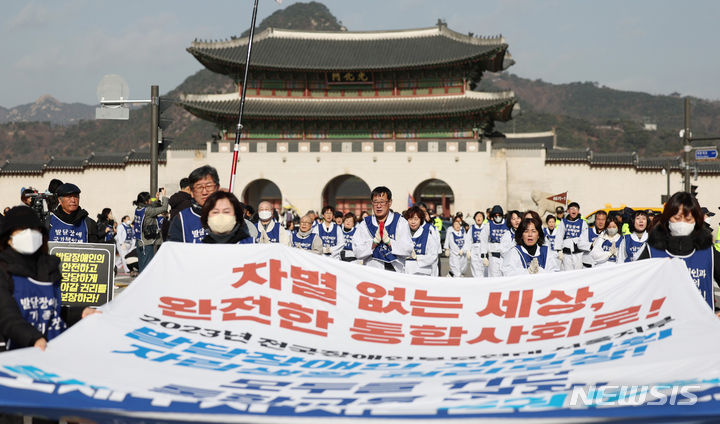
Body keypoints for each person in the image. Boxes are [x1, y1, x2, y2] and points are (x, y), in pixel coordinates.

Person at [0, 206, 97, 351]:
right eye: (21, 229)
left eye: (33, 228)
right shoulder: (3, 270)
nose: (29, 234)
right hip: (22, 351)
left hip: (53, 350)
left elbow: (51, 311)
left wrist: (80, 313)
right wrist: (33, 338)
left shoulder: (48, 266)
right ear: (8, 238)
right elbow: (7, 317)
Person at [638, 192, 720, 310]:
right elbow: (635, 287)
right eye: (677, 218)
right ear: (667, 218)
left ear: (696, 221)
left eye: (688, 219)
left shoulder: (708, 251)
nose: (682, 223)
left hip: (701, 324)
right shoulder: (652, 250)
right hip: (665, 323)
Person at [352, 186, 413, 272]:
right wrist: (373, 243)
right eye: (375, 202)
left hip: (395, 273)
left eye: (382, 202)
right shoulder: (365, 224)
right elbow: (357, 252)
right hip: (373, 273)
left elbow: (408, 249)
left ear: (390, 202)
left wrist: (389, 242)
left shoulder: (400, 222)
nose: (378, 206)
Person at [133, 190, 168, 272]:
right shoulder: (148, 211)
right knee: (147, 267)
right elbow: (164, 208)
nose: (150, 200)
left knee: (142, 265)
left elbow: (151, 207)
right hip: (147, 242)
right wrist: (164, 196)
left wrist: (156, 199)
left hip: (140, 240)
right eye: (149, 199)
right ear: (146, 201)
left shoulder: (139, 209)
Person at [404, 206, 440, 276]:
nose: (413, 222)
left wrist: (417, 257)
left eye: (416, 219)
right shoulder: (403, 233)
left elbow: (433, 255)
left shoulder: (427, 235)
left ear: (421, 220)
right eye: (410, 219)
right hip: (405, 273)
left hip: (421, 273)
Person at [554, 201, 590, 271]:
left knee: (578, 272)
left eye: (575, 209)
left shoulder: (582, 222)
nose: (573, 210)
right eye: (571, 209)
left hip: (578, 253)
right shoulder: (563, 222)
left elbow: (585, 237)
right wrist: (559, 250)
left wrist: (582, 247)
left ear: (578, 211)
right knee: (568, 272)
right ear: (568, 211)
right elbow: (559, 235)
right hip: (567, 253)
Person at [481, 205, 509, 277]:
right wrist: (484, 256)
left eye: (499, 215)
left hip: (506, 256)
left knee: (506, 277)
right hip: (493, 257)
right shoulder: (488, 225)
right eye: (495, 215)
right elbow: (483, 240)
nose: (497, 217)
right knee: (494, 277)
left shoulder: (508, 224)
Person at [468, 211, 487, 278]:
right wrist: (468, 250)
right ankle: (476, 281)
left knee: (484, 267)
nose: (479, 218)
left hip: (483, 249)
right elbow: (468, 239)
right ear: (475, 218)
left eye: (480, 216)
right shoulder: (472, 228)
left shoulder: (486, 227)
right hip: (474, 249)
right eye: (477, 216)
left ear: (483, 218)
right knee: (474, 266)